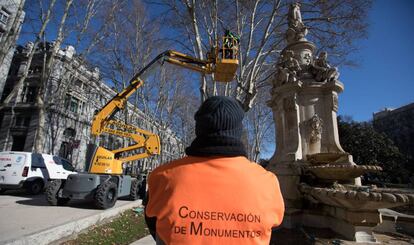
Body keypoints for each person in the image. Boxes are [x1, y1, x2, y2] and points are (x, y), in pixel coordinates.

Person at [145, 96, 285, 245]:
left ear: (199, 129)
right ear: (237, 131)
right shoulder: (267, 181)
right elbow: (273, 226)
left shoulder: (162, 176)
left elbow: (154, 225)